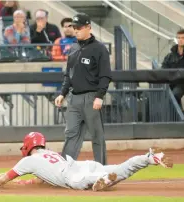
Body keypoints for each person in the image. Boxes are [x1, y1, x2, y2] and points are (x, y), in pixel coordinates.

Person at [0, 132, 173, 191]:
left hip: (73, 176)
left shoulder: (28, 162)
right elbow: (42, 179)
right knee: (117, 169)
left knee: (109, 177)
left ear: (27, 146)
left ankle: (104, 180)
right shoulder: (51, 154)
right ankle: (148, 158)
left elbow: (1, 179)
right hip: (81, 165)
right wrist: (26, 182)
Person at [54, 13, 111, 165]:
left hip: (92, 97)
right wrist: (63, 93)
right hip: (74, 98)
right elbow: (68, 74)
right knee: (70, 133)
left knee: (97, 135)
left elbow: (105, 75)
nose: (76, 30)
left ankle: (101, 169)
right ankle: (65, 169)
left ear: (88, 27)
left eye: (79, 27)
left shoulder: (99, 49)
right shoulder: (73, 48)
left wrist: (100, 96)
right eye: (74, 27)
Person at [162, 29, 184, 107]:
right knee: (154, 94)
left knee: (174, 95)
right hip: (170, 83)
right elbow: (163, 69)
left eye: (183, 38)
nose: (180, 40)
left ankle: (175, 117)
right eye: (178, 38)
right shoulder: (171, 55)